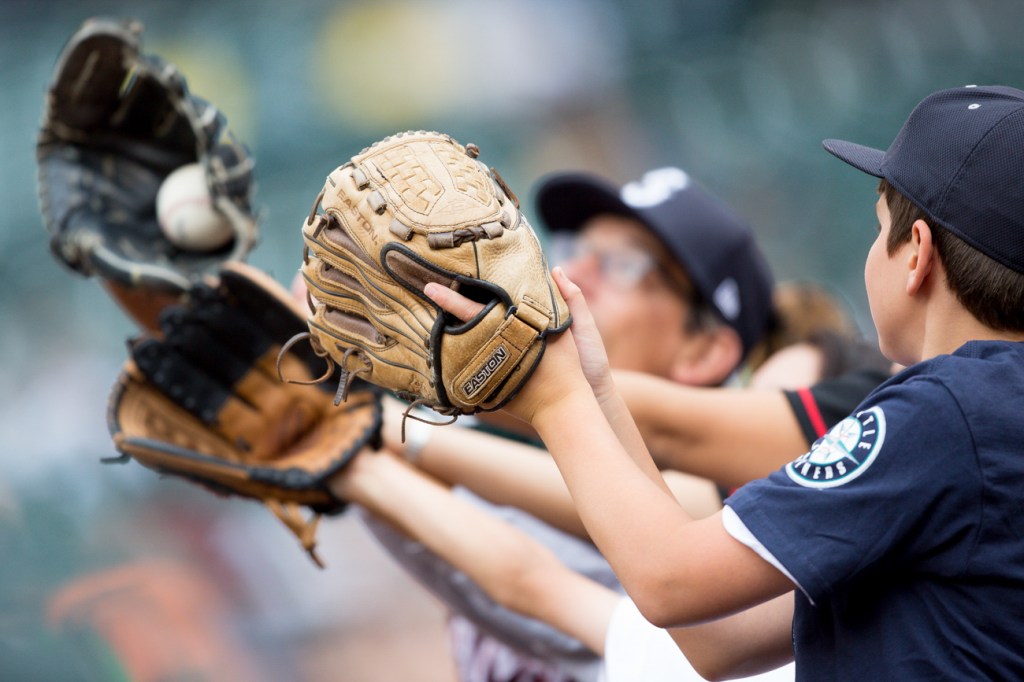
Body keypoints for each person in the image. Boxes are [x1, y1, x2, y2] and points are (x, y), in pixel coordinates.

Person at [426, 84, 1024, 679]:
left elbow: (669, 581)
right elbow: (718, 638)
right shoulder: (988, 414)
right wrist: (599, 391)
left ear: (916, 254)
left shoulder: (949, 413)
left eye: (878, 227)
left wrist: (557, 397)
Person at [360, 165, 779, 682]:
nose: (575, 272)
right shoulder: (498, 442)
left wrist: (379, 440)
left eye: (625, 265)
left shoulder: (736, 512)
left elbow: (532, 578)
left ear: (704, 350)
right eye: (574, 247)